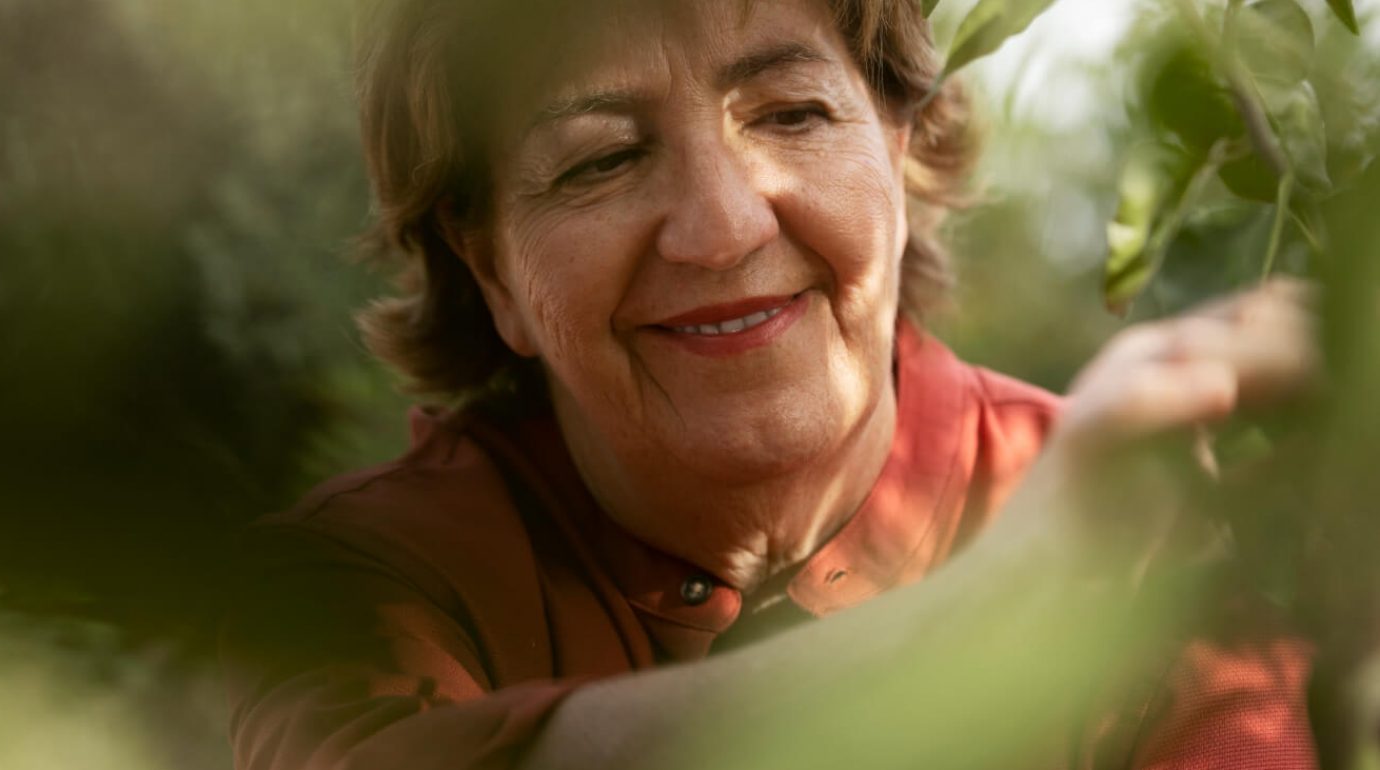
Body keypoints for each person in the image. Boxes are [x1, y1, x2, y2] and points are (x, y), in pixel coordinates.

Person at [222, 0, 1320, 767]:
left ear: (901, 144)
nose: (723, 224)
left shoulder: (1144, 513)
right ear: (488, 265)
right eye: (600, 157)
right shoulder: (354, 588)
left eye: (791, 113)